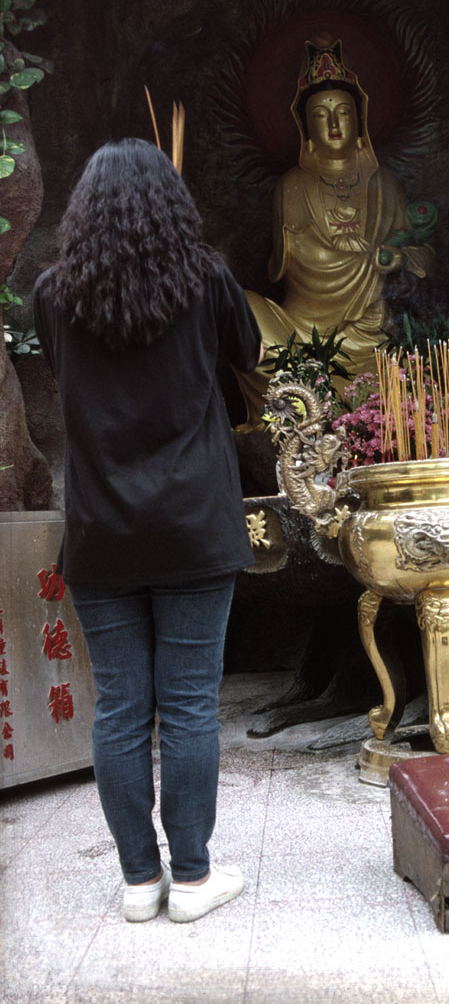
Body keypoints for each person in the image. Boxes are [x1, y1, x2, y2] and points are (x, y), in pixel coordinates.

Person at [33, 137, 263, 923]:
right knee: (192, 704)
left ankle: (139, 883)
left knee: (121, 709)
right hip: (195, 524)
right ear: (173, 206)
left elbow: (71, 377)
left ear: (80, 213)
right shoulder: (208, 281)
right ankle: (193, 879)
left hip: (102, 533)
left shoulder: (53, 294)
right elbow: (250, 353)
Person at [234, 40, 435, 427]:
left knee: (414, 370)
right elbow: (296, 254)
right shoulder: (293, 185)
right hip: (300, 337)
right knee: (240, 309)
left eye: (343, 112)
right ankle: (305, 404)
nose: (334, 124)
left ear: (359, 120)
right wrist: (362, 259)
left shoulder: (384, 185)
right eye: (320, 115)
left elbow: (421, 250)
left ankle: (325, 407)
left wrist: (398, 258)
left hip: (368, 339)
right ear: (305, 128)